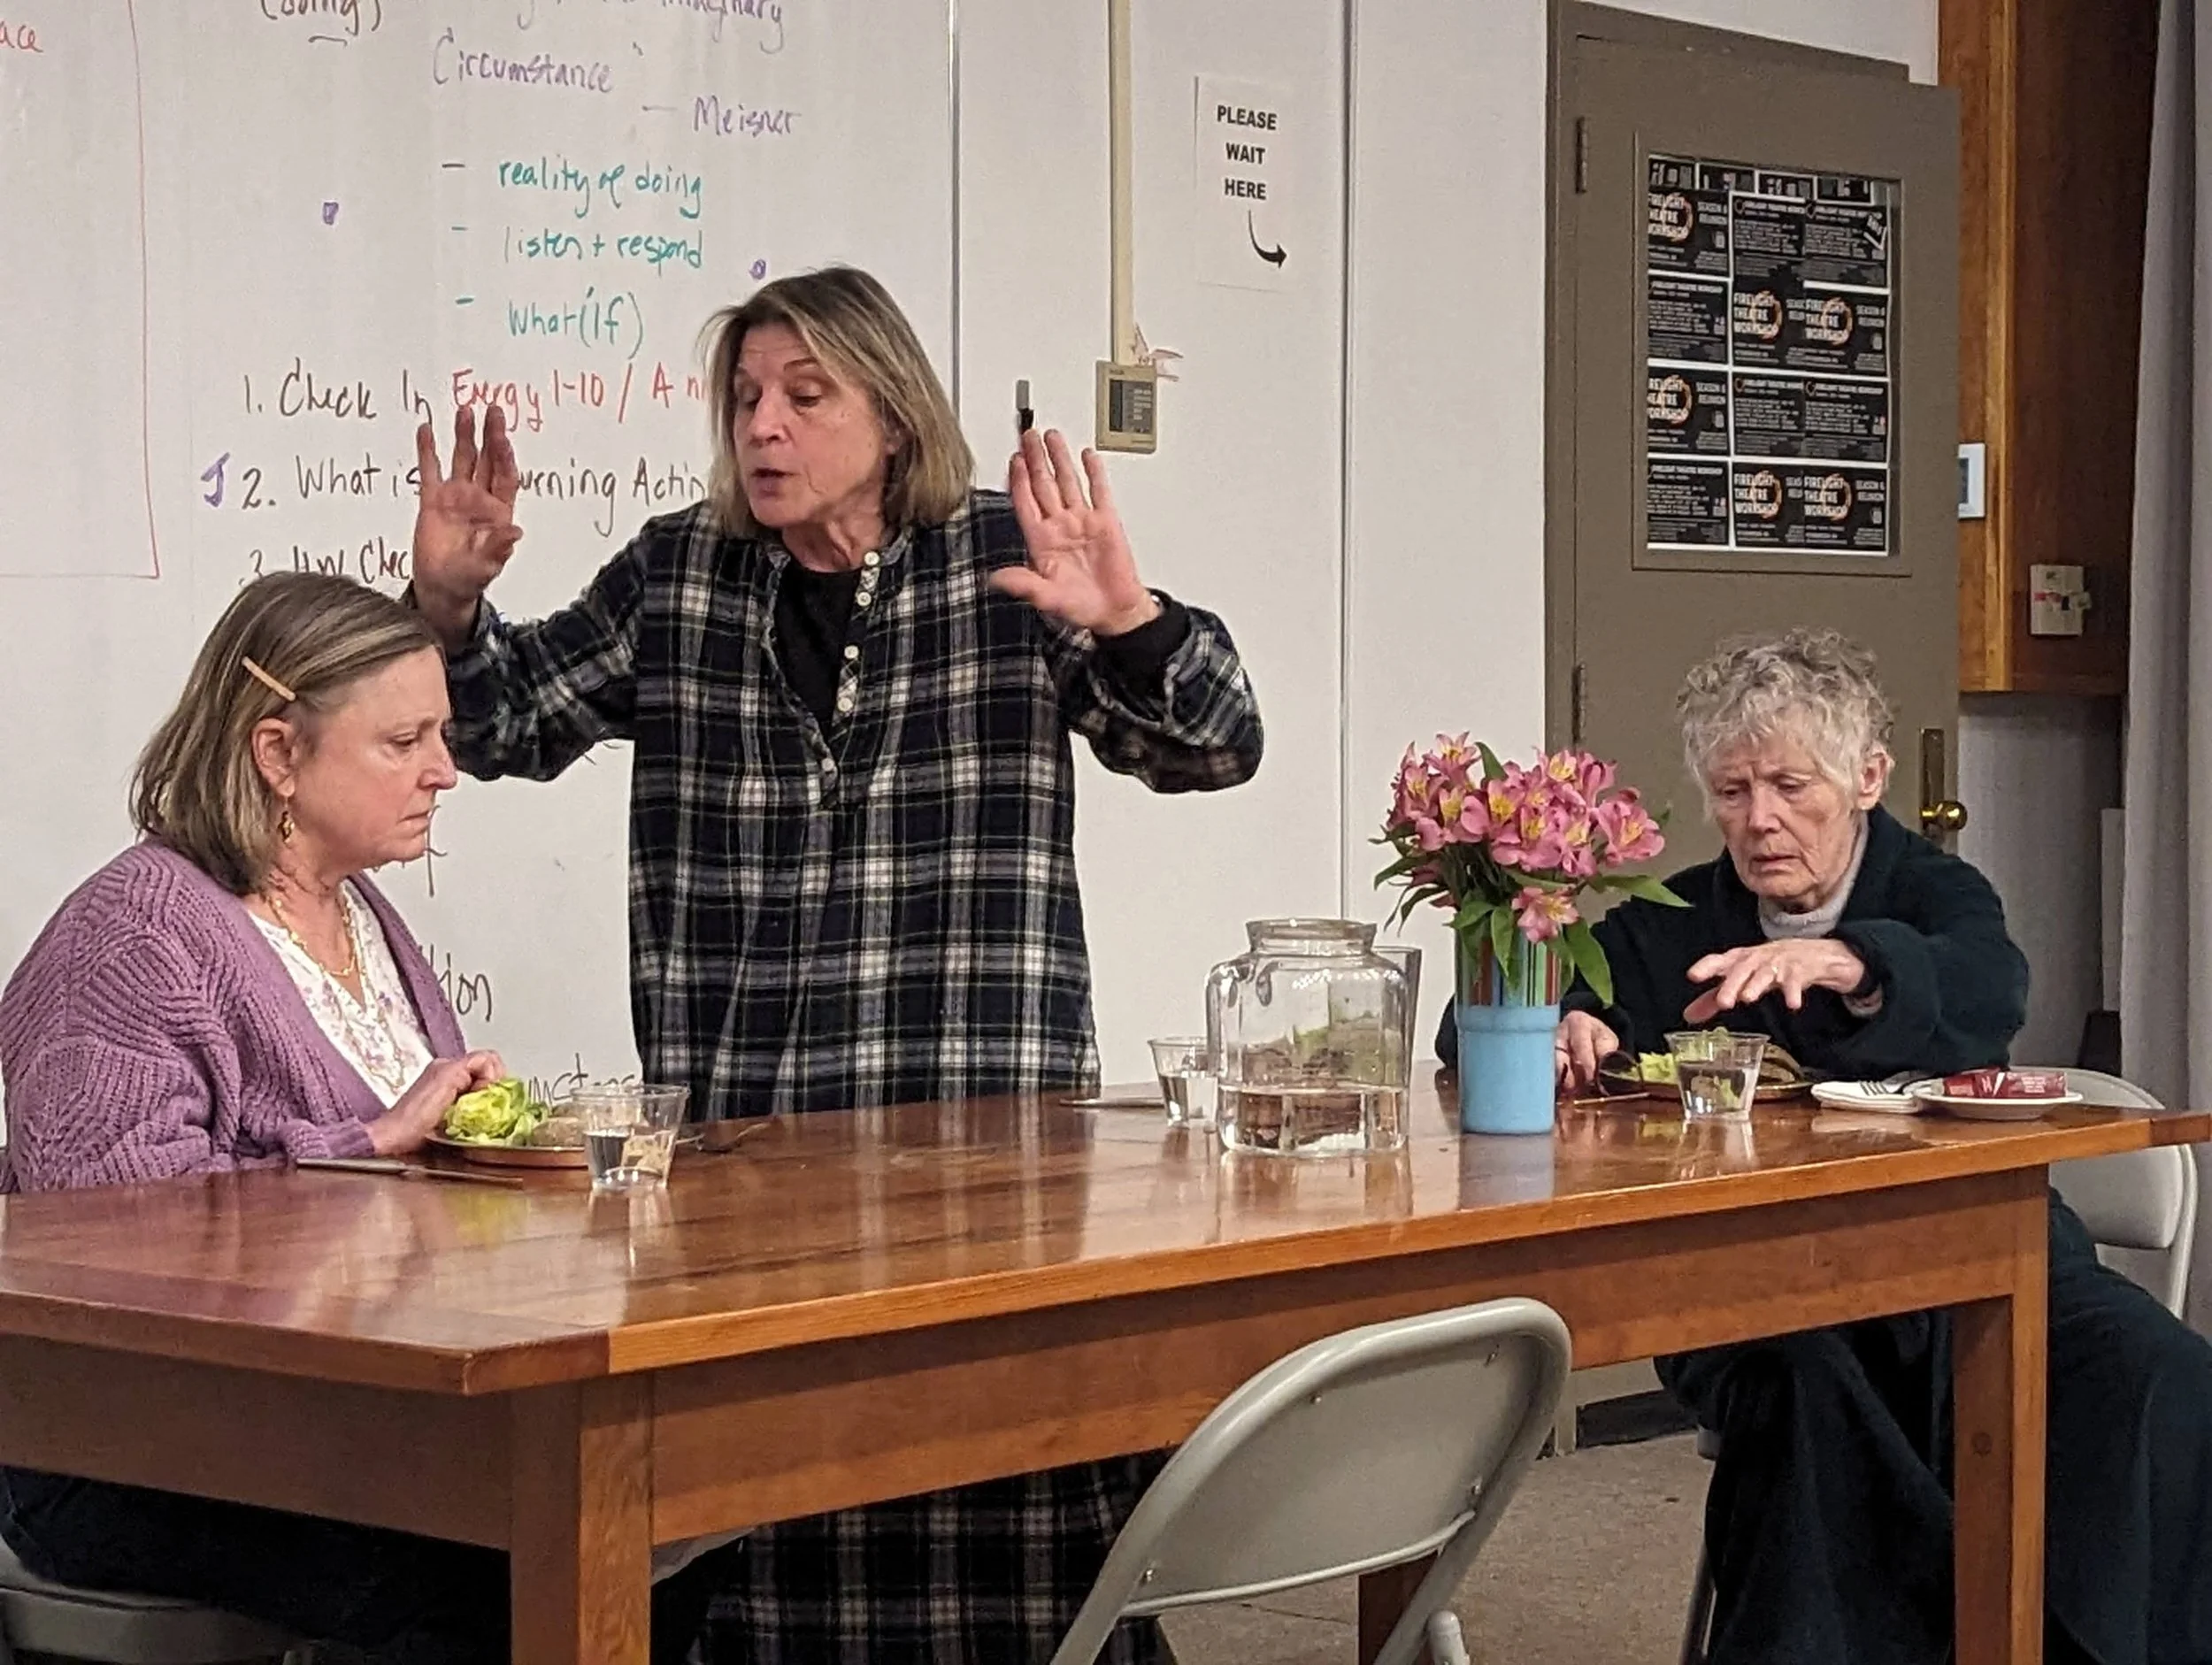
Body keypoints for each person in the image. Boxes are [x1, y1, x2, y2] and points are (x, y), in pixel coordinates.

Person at [403, 265, 1263, 1661]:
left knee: (997, 1476)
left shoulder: (1008, 562)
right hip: (748, 1151)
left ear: (895, 412)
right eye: (746, 397)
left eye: (807, 395)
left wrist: (1126, 619)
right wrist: (446, 608)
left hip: (980, 1143)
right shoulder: (678, 572)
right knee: (765, 1498)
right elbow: (503, 717)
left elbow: (1217, 741)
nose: (767, 426)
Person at [1449, 629, 2212, 1665]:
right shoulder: (1679, 917)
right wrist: (1561, 1020)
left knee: (2157, 1374)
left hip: (1974, 1254)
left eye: (1787, 786)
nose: (1758, 820)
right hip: (1749, 1277)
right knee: (1810, 1391)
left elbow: (1988, 988)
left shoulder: (1939, 894)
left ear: (1866, 778)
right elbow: (1485, 1010)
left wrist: (1852, 962)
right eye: (1731, 791)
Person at [0, 572, 717, 1664]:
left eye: (443, 733)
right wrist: (370, 1142)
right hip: (133, 1455)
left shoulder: (356, 914)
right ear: (278, 753)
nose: (445, 769)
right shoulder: (133, 939)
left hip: (328, 1424)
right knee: (505, 1585)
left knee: (672, 1560)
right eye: (403, 741)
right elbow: (101, 1249)